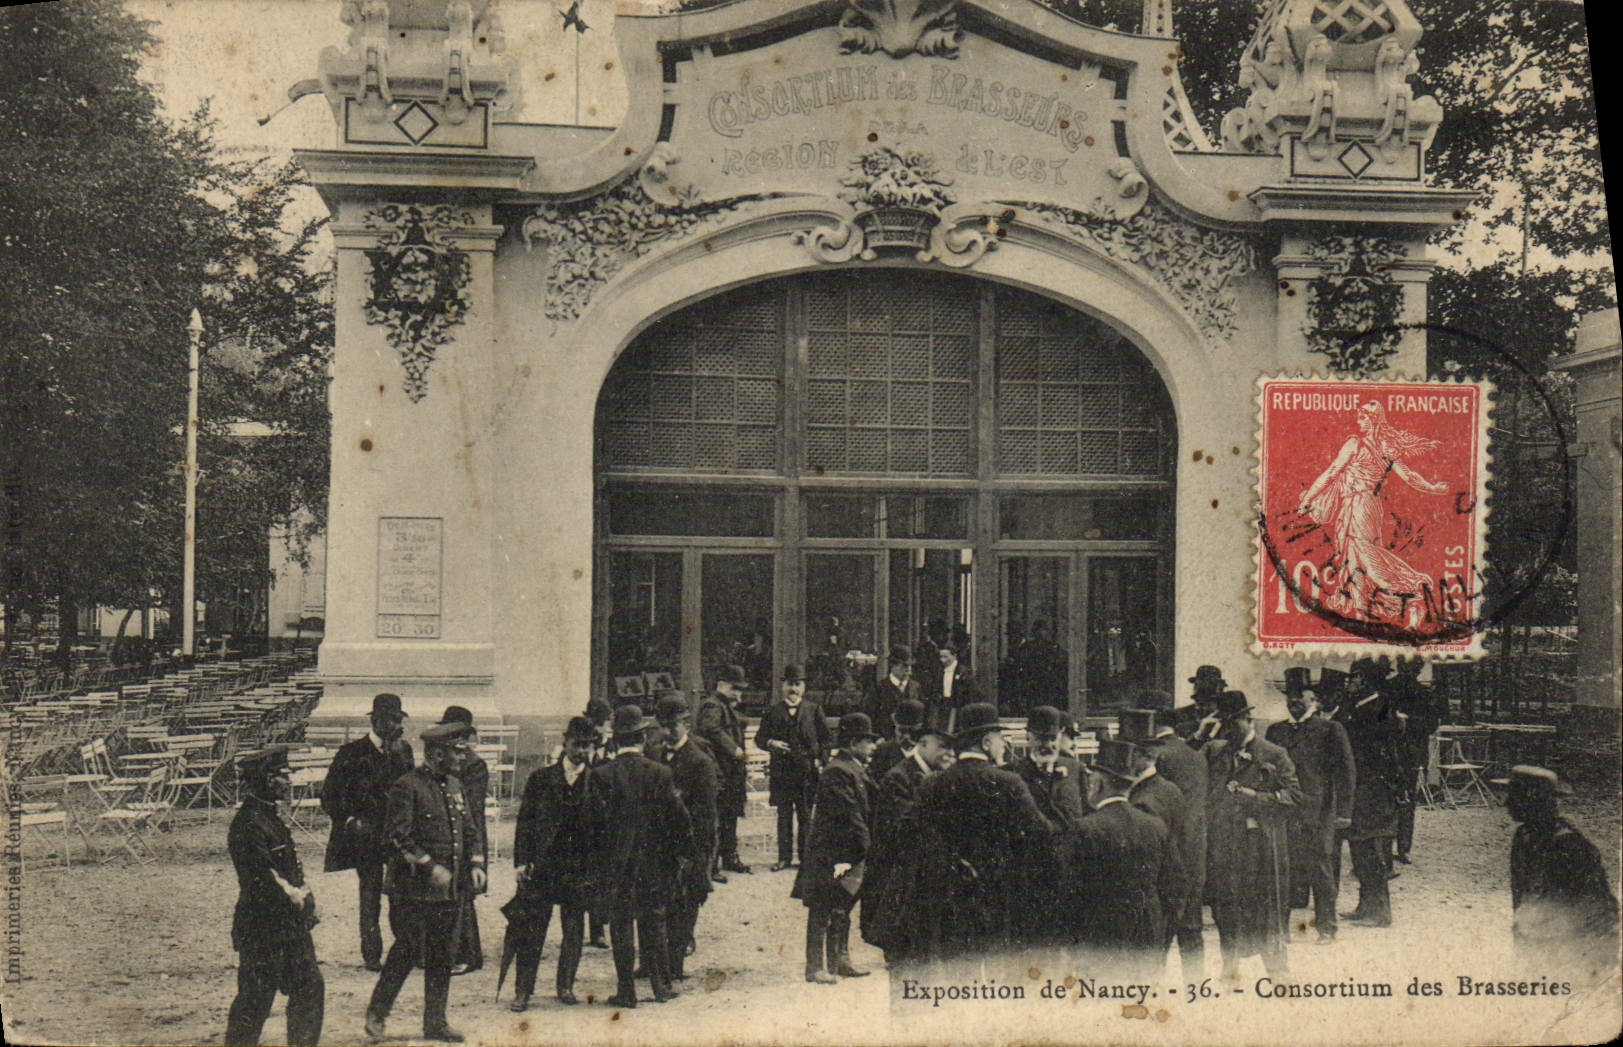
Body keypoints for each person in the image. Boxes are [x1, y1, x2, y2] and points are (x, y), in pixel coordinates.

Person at [901, 702, 1054, 963]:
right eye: (999, 738)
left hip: (947, 897)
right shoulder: (1008, 782)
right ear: (985, 743)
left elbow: (911, 834)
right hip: (999, 896)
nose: (1002, 745)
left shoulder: (933, 783)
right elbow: (1041, 833)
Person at [365, 722, 487, 1043]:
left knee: (442, 955)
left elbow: (470, 830)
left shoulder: (456, 785)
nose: (463, 757)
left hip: (449, 889)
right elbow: (398, 837)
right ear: (437, 754)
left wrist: (476, 863)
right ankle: (377, 1013)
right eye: (457, 752)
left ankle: (435, 1022)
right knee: (406, 950)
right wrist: (429, 867)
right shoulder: (407, 786)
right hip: (412, 890)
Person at [1296, 399, 1450, 630]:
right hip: (1367, 507)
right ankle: (1369, 613)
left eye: (1363, 417)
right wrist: (1432, 488)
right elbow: (1410, 477)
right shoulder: (1386, 449)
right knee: (1354, 560)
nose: (1358, 421)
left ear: (1374, 420)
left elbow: (1331, 473)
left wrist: (1308, 499)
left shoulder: (1355, 444)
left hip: (1358, 506)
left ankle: (1411, 587)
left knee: (1364, 557)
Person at [589, 704, 693, 1008]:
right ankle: (661, 987)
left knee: (621, 925)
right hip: (654, 862)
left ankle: (626, 992)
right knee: (654, 922)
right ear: (643, 738)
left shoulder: (601, 775)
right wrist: (680, 854)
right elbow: (680, 819)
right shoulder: (660, 773)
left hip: (616, 865)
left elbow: (593, 827)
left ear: (615, 740)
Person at [1058, 739, 1181, 981]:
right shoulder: (1155, 826)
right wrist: (1161, 934)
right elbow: (1176, 886)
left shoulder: (1084, 829)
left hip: (1099, 943)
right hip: (1148, 942)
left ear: (1099, 782)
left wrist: (1072, 945)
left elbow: (1068, 892)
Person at [225, 745, 323, 1047]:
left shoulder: (268, 817)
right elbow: (263, 877)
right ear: (268, 780)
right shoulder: (249, 823)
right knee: (255, 1001)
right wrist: (298, 900)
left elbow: (289, 870)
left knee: (309, 987)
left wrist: (306, 898)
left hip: (289, 925)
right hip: (262, 928)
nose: (289, 781)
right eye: (284, 775)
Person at [504, 717, 601, 1012]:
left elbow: (603, 829)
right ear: (565, 742)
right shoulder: (541, 779)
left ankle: (565, 985)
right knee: (532, 931)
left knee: (574, 931)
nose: (581, 751)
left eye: (587, 746)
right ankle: (523, 991)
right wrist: (522, 862)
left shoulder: (597, 781)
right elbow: (525, 823)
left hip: (578, 868)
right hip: (543, 867)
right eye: (577, 744)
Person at [1203, 690, 1300, 981]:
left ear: (1249, 718)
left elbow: (1294, 796)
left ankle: (1277, 970)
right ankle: (1230, 967)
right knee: (1227, 904)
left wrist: (1255, 797)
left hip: (1261, 845)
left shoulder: (1273, 753)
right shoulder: (1215, 752)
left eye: (1234, 723)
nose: (1229, 730)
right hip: (1226, 842)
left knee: (1266, 904)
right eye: (1224, 724)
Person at [322, 693, 414, 971]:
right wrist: (350, 820)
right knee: (370, 894)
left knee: (401, 894)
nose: (397, 726)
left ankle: (405, 950)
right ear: (376, 721)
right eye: (392, 720)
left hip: (396, 835)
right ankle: (372, 954)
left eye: (399, 720)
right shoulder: (351, 753)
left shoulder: (403, 752)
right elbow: (329, 796)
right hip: (366, 838)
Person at [1264, 669, 1356, 944]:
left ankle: (1327, 928)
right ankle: (1280, 930)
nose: (1293, 701)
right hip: (1284, 812)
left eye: (1300, 696)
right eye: (1289, 696)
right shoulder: (1276, 731)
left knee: (1321, 870)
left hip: (1318, 813)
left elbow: (1346, 773)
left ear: (1313, 699)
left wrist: (1344, 812)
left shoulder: (1330, 730)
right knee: (1282, 870)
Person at [1507, 765, 1620, 983]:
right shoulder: (1524, 836)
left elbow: (1600, 912)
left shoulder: (1569, 845)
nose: (1507, 803)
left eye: (1514, 796)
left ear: (1533, 799)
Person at [793, 712, 880, 984]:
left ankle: (839, 960)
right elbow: (850, 814)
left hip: (846, 851)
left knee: (842, 907)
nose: (873, 747)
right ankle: (815, 967)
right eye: (868, 741)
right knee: (822, 909)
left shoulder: (852, 767)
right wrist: (869, 847)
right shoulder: (838, 771)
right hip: (830, 852)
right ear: (853, 743)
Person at [1123, 703, 1207, 975]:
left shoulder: (1152, 779)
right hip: (1191, 855)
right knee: (1191, 934)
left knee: (1153, 942)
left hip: (1160, 867)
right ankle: (1197, 990)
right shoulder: (1194, 756)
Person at [861, 717, 951, 961]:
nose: (948, 753)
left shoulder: (936, 775)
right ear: (923, 744)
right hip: (897, 877)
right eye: (942, 746)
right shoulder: (899, 778)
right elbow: (902, 830)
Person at [655, 693, 719, 981]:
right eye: (663, 726)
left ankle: (675, 965)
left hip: (688, 846)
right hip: (659, 844)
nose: (667, 732)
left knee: (684, 905)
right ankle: (653, 961)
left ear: (686, 725)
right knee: (657, 905)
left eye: (673, 726)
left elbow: (706, 815)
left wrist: (698, 855)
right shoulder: (654, 755)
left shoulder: (700, 761)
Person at [1336, 657, 1403, 927]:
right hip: (1361, 787)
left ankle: (1380, 912)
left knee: (1372, 848)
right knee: (1359, 847)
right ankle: (1365, 906)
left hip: (1373, 788)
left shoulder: (1380, 708)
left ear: (1363, 679)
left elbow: (1377, 751)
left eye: (1353, 677)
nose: (1349, 682)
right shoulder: (1357, 706)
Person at [756, 664, 832, 872]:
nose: (793, 689)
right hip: (782, 773)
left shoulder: (814, 710)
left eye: (797, 684)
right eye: (790, 684)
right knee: (784, 816)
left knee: (806, 816)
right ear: (782, 686)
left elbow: (826, 739)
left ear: (803, 687)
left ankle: (806, 859)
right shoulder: (772, 712)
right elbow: (760, 738)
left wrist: (821, 760)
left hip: (807, 773)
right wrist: (771, 742)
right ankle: (784, 858)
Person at [436, 706, 487, 975]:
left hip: (467, 834)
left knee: (464, 896)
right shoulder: (445, 761)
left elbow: (471, 808)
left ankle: (467, 954)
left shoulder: (475, 765)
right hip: (447, 835)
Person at [696, 664, 752, 879]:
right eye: (734, 688)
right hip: (719, 770)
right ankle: (711, 866)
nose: (738, 693)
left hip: (732, 772)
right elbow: (711, 729)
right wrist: (735, 750)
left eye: (740, 689)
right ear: (721, 685)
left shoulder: (725, 706)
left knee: (730, 815)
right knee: (716, 818)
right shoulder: (712, 705)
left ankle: (729, 856)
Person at [1387, 656, 1434, 865]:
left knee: (1405, 800)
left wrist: (1408, 720)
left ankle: (1402, 847)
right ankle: (1392, 847)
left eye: (1413, 668)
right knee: (1394, 799)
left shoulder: (1423, 693)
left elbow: (1432, 724)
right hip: (1390, 751)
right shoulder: (1388, 689)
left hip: (1410, 753)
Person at [1009, 705, 1086, 830]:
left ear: (1060, 736)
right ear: (1028, 737)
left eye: (1053, 738)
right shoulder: (1012, 773)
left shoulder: (1075, 769)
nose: (1049, 745)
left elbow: (1087, 814)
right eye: (1042, 739)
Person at [870, 651, 922, 747]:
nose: (908, 669)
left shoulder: (916, 687)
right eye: (904, 666)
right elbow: (871, 714)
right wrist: (877, 738)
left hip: (912, 741)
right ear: (893, 666)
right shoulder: (879, 688)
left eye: (910, 666)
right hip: (886, 740)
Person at [869, 698, 926, 781]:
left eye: (912, 731)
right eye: (902, 731)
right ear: (895, 727)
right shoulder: (883, 751)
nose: (906, 736)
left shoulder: (926, 752)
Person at [932, 641, 981, 734]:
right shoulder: (940, 671)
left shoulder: (963, 671)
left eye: (946, 657)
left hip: (958, 707)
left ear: (954, 656)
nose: (943, 660)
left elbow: (970, 691)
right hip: (944, 705)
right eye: (941, 657)